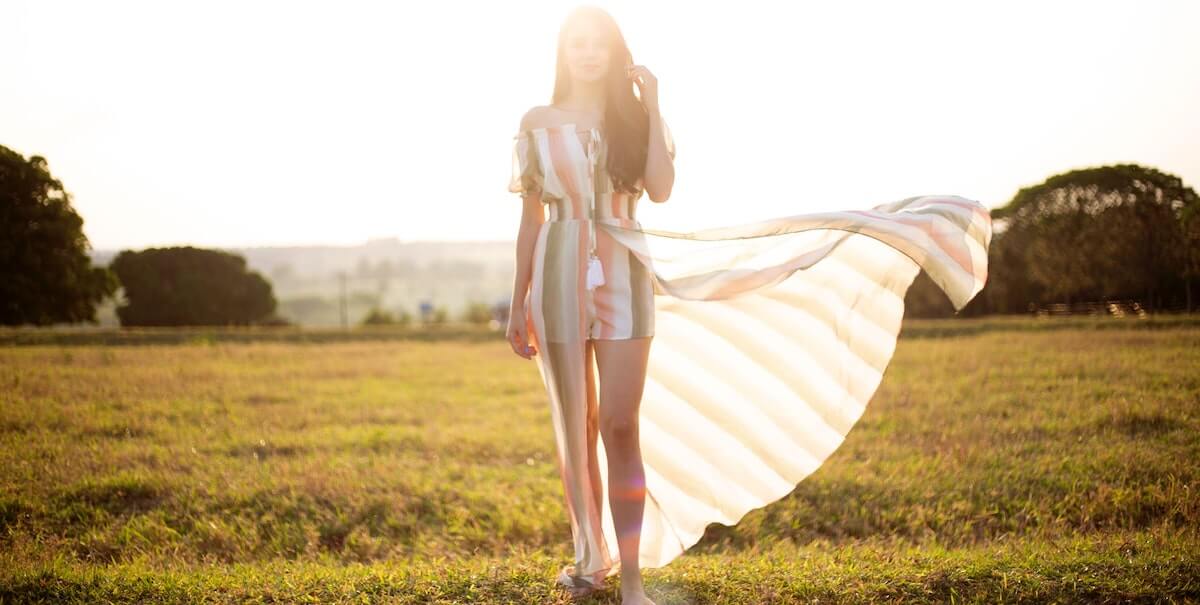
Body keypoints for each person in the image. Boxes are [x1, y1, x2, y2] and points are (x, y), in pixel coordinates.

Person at [505, 6, 992, 604]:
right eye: (576, 42)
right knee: (575, 428)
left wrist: (652, 103)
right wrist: (516, 299)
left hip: (625, 269)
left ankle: (632, 580)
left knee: (619, 425)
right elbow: (530, 218)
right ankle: (590, 561)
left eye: (598, 43)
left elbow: (659, 189)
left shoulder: (631, 117)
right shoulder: (537, 121)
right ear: (562, 51)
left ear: (613, 51)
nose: (586, 52)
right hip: (555, 273)